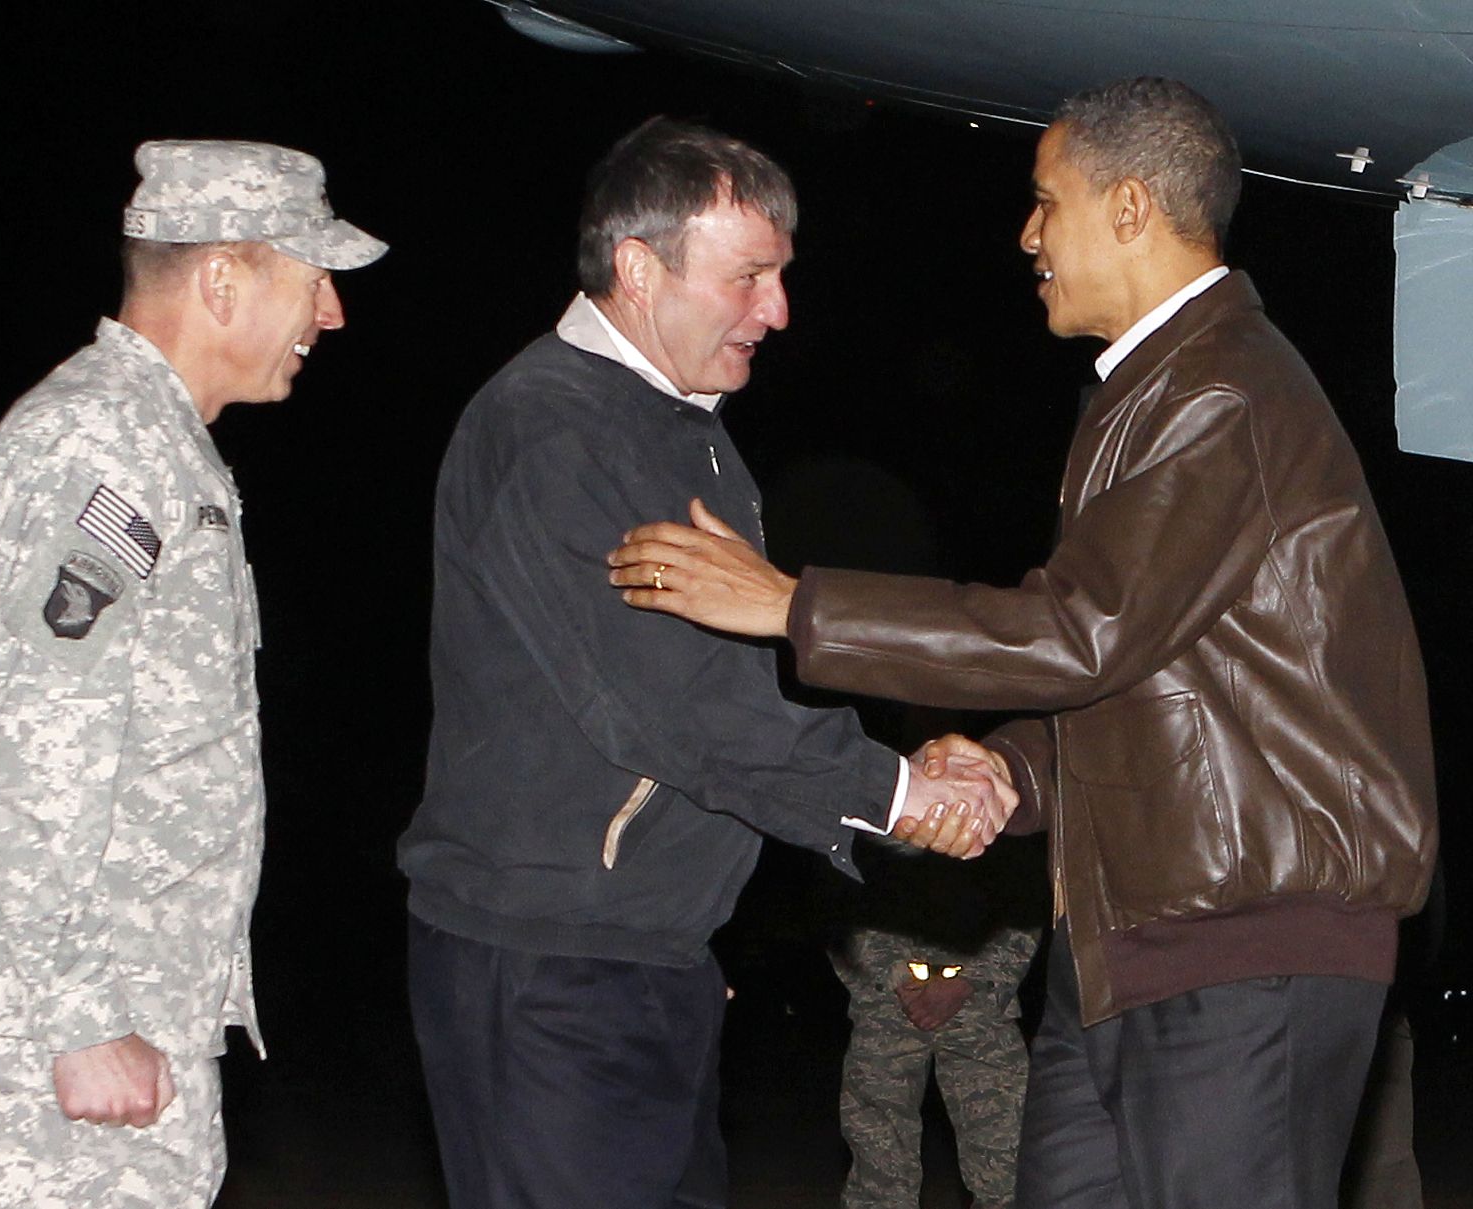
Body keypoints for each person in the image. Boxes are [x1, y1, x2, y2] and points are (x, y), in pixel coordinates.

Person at [608, 78, 1438, 1209]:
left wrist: (792, 605)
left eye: (1048, 201)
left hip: (1243, 949)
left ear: (1130, 208)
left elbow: (1078, 632)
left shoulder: (1223, 390)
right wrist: (1007, 771)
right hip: (1127, 951)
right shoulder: (1151, 391)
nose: (1028, 235)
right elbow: (1143, 677)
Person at [396, 117, 1014, 1209]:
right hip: (549, 966)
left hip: (645, 959)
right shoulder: (555, 433)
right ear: (639, 269)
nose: (777, 311)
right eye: (748, 277)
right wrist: (901, 792)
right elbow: (675, 711)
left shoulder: (684, 430)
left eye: (779, 276)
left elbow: (711, 701)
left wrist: (684, 928)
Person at [0, 140, 385, 1208]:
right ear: (222, 279)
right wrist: (83, 1016)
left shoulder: (160, 443)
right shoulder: (104, 446)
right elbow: (32, 743)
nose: (330, 313)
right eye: (313, 278)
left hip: (140, 997)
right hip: (82, 1012)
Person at [830, 838, 1041, 1209]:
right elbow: (838, 896)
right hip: (888, 1004)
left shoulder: (994, 811)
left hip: (979, 1007)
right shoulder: (871, 811)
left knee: (1005, 1168)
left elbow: (1025, 900)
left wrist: (970, 980)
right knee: (879, 1174)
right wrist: (897, 976)